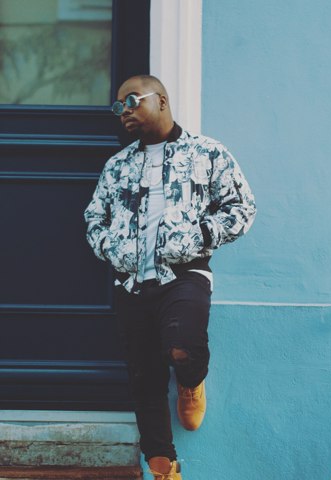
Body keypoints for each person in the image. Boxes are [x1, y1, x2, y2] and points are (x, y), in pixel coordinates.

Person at [84, 75, 256, 480]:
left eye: (131, 101)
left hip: (184, 275)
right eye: (118, 107)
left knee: (182, 348)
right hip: (131, 283)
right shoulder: (118, 165)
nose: (124, 112)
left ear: (161, 100)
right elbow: (94, 217)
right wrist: (112, 248)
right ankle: (164, 469)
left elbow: (241, 207)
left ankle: (191, 382)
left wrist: (199, 237)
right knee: (144, 379)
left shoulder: (207, 153)